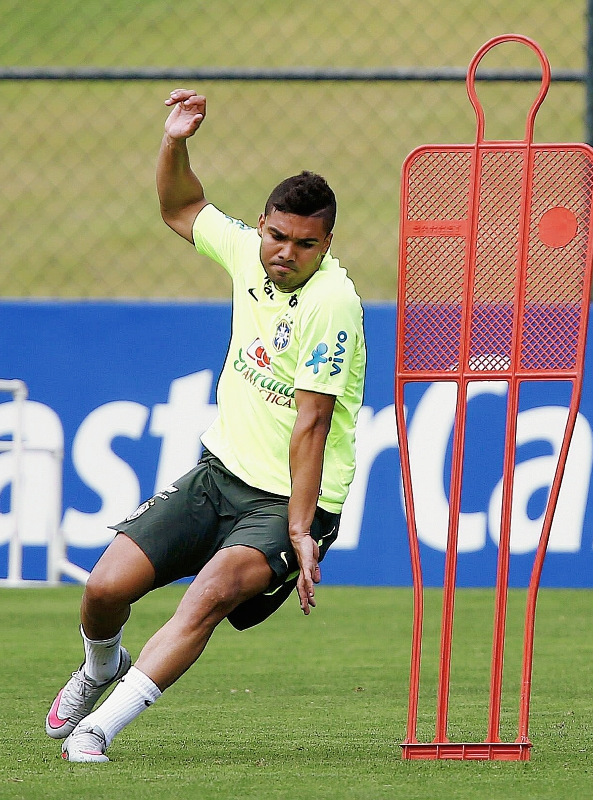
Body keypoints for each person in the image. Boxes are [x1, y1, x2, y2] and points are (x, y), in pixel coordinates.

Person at [45, 88, 367, 763]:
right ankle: (100, 665)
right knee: (103, 589)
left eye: (305, 244)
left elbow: (312, 424)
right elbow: (179, 206)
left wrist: (304, 530)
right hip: (219, 475)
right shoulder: (247, 252)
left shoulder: (333, 303)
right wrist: (174, 141)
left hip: (289, 502)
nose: (285, 253)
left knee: (211, 594)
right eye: (277, 236)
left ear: (326, 244)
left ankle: (99, 729)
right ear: (262, 225)